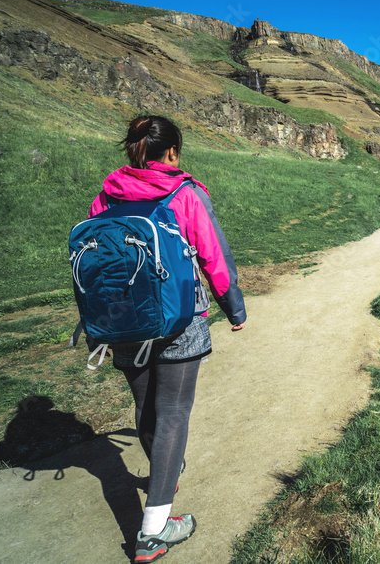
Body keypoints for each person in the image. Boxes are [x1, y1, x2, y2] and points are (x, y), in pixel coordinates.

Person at [85, 114, 246, 563]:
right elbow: (215, 254)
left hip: (121, 321)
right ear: (172, 152)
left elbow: (99, 260)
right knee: (174, 411)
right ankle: (153, 532)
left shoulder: (106, 195)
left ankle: (164, 475)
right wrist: (234, 308)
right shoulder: (186, 193)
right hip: (178, 318)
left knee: (146, 407)